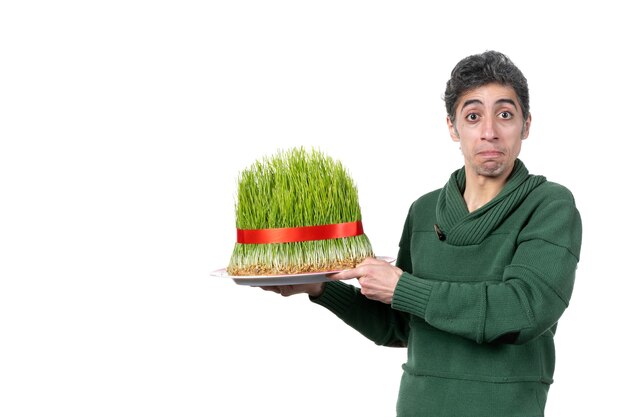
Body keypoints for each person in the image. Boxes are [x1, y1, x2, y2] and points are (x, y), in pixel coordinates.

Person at [262, 50, 582, 416]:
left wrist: (402, 287)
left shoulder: (549, 205)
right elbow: (400, 325)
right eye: (473, 116)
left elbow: (523, 311)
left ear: (525, 125)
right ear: (452, 126)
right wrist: (320, 287)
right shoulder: (425, 210)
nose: (489, 131)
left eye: (505, 115)